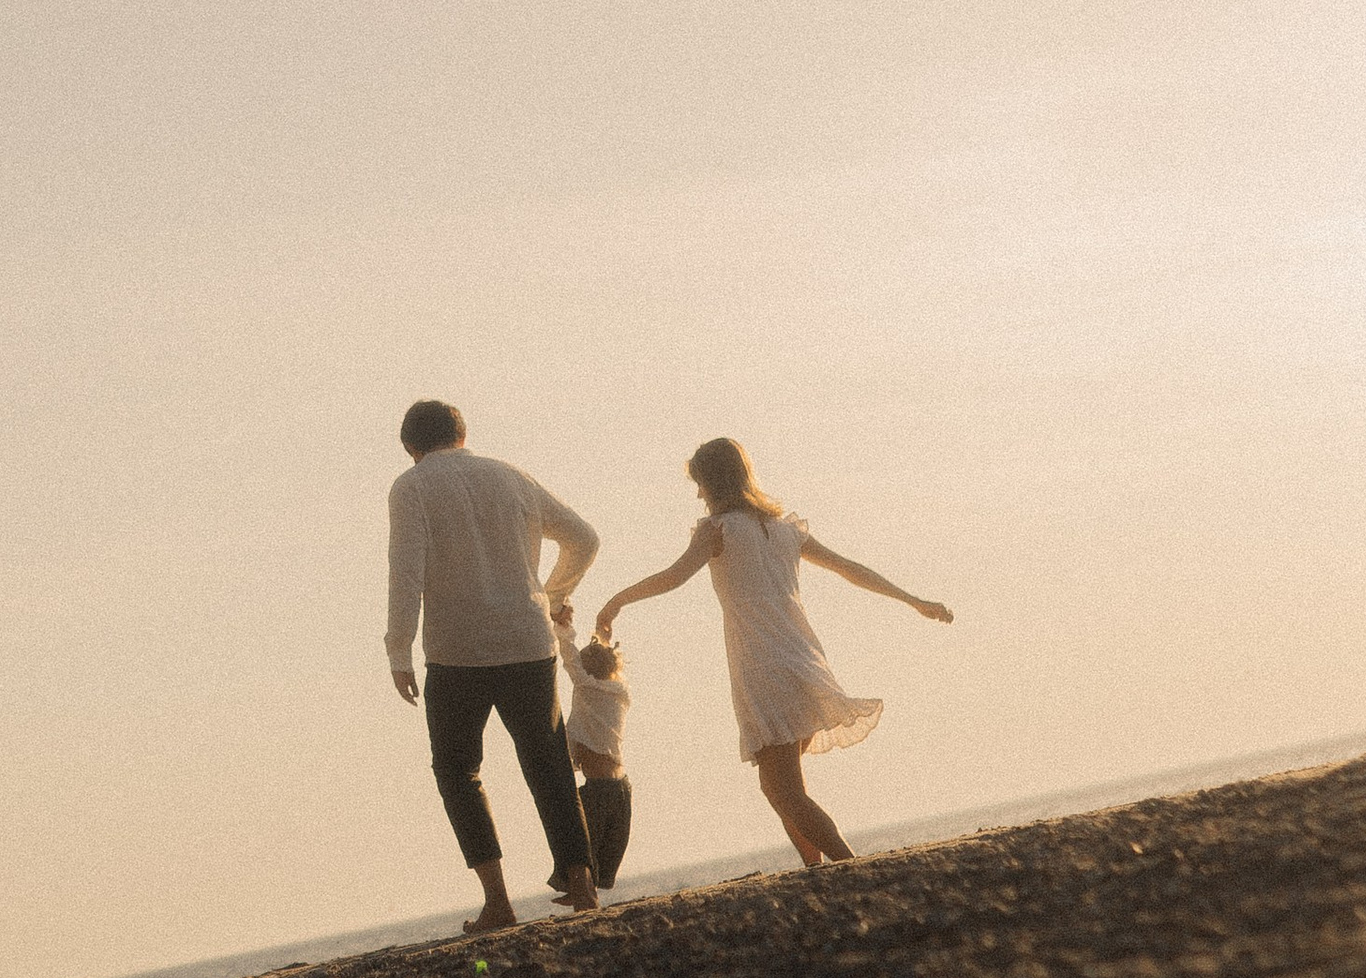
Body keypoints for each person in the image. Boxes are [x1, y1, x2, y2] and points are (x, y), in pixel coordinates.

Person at [596, 434, 951, 870]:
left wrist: (618, 600)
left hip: (762, 662)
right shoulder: (784, 530)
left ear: (714, 481)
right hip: (802, 657)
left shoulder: (717, 530)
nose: (698, 493)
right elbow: (850, 569)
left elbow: (674, 576)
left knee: (783, 790)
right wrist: (913, 600)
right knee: (782, 786)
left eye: (700, 483)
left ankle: (848, 865)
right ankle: (816, 868)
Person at [386, 399, 600, 932]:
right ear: (463, 434)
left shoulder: (411, 488)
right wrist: (552, 595)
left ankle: (498, 901)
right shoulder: (510, 476)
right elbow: (584, 538)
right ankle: (581, 884)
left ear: (412, 448)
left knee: (458, 771)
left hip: (458, 651)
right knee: (547, 764)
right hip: (528, 640)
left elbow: (406, 571)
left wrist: (398, 648)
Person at [551, 597, 634, 887]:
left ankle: (580, 894)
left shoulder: (587, 688)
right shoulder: (620, 692)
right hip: (621, 787)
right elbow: (603, 657)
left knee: (580, 851)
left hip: (600, 789)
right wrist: (603, 635)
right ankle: (583, 894)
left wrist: (564, 629)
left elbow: (572, 660)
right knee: (602, 857)